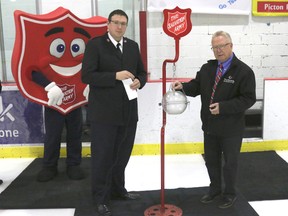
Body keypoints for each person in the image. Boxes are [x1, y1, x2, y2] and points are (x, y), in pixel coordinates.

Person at [172, 31, 256, 209]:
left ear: (231, 46)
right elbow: (196, 86)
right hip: (210, 126)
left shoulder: (244, 71)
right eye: (215, 47)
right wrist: (183, 87)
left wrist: (223, 107)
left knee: (230, 163)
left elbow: (248, 99)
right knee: (211, 160)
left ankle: (230, 193)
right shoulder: (207, 68)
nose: (218, 51)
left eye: (222, 46)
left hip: (231, 128)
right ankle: (215, 190)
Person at [81, 9, 147, 216]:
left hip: (128, 113)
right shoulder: (95, 45)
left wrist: (140, 81)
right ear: (108, 24)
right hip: (104, 115)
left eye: (123, 23)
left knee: (122, 155)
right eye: (116, 22)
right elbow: (87, 76)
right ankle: (101, 197)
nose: (119, 27)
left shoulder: (132, 46)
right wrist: (114, 76)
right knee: (103, 157)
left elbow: (142, 73)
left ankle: (118, 190)